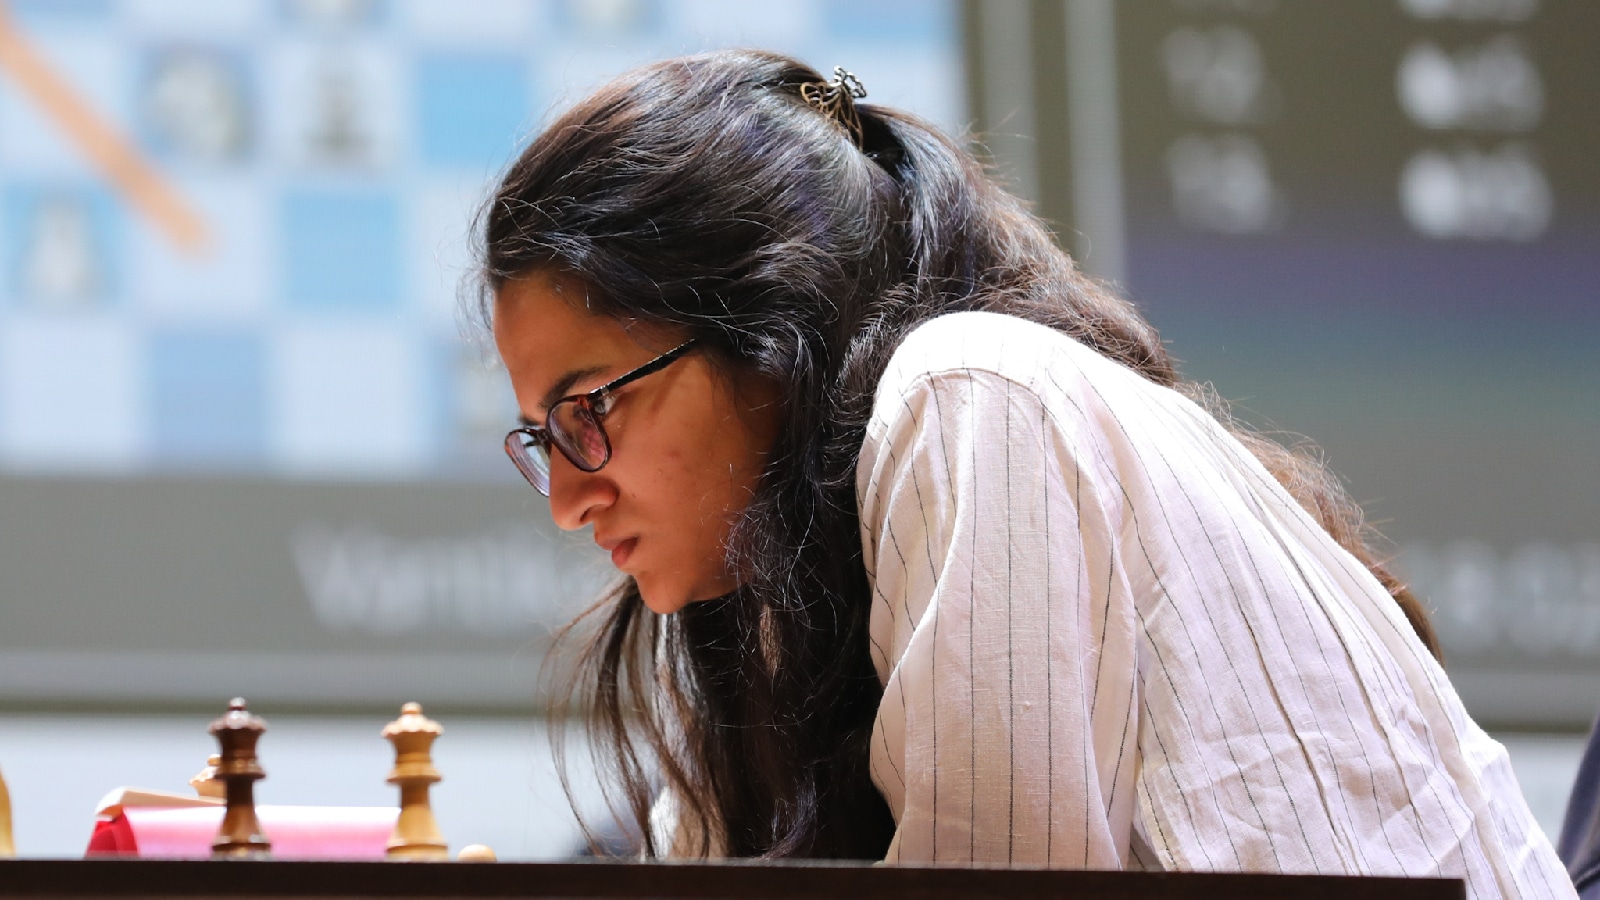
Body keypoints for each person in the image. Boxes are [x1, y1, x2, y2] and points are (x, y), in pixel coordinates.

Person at [479, 49, 1573, 894]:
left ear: (771, 335)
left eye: (590, 410)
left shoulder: (969, 393)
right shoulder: (769, 594)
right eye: (540, 438)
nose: (570, 500)